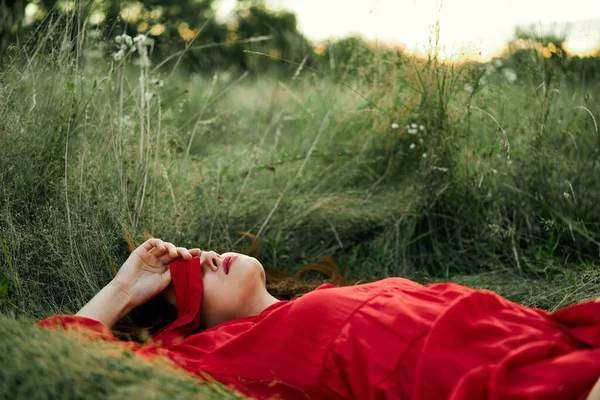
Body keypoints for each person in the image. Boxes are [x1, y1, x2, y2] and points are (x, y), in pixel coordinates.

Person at [37, 238, 600, 400]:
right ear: (192, 322)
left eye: (198, 251)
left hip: (530, 335)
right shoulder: (217, 354)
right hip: (486, 382)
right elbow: (62, 361)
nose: (205, 257)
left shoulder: (315, 300)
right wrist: (123, 288)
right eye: (193, 278)